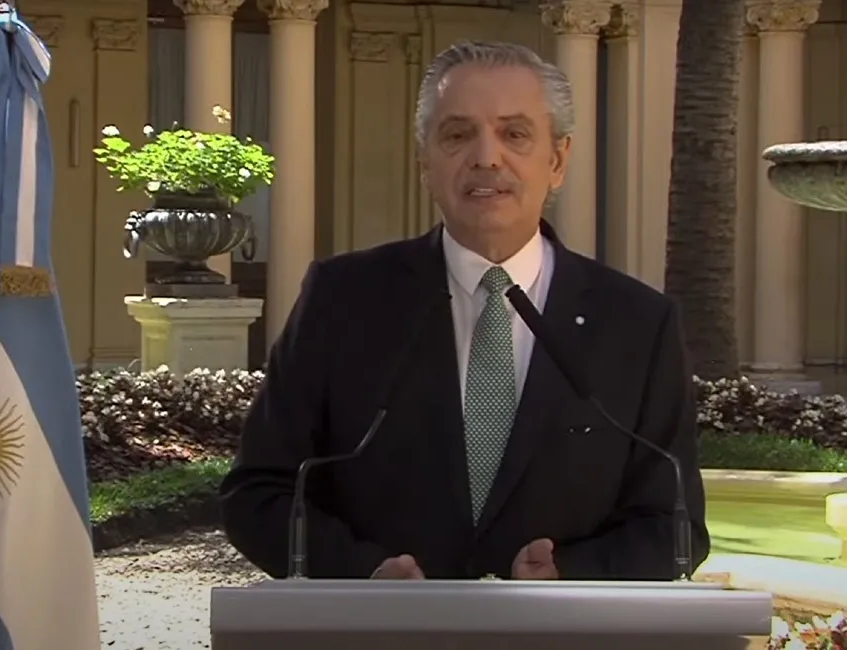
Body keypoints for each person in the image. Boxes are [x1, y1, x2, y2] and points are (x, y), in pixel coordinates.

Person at [218, 41, 710, 580]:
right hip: (380, 623)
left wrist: (570, 573)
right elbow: (259, 493)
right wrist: (363, 573)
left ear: (557, 160)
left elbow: (675, 527)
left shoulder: (638, 323)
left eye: (514, 134)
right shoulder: (340, 298)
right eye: (457, 135)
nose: (486, 158)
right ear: (425, 162)